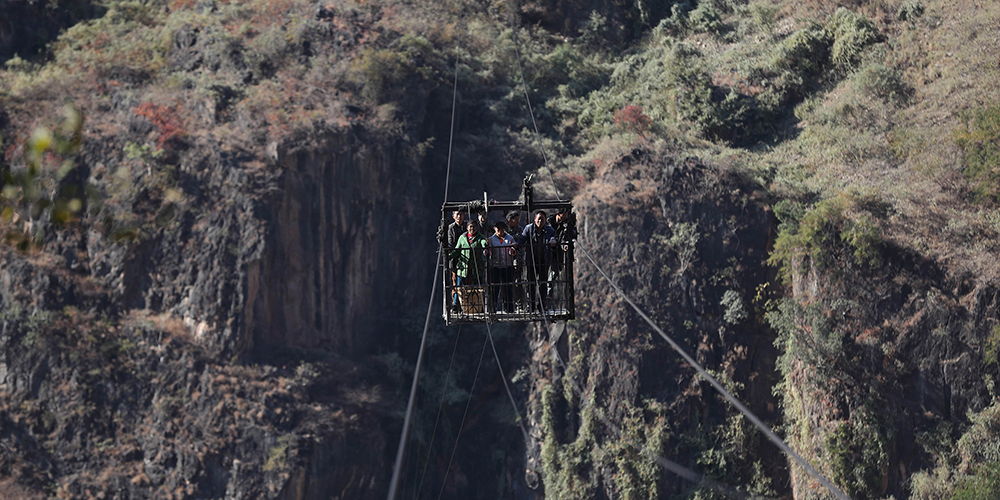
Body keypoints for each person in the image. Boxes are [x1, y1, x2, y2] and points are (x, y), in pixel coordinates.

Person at [515, 210, 556, 312]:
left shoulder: (550, 230)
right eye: (538, 219)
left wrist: (553, 241)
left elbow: (553, 238)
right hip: (531, 261)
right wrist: (516, 245)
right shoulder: (529, 229)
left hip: (544, 261)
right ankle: (531, 306)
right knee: (531, 284)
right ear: (534, 219)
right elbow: (522, 239)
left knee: (543, 283)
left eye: (542, 219)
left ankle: (541, 305)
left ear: (545, 220)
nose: (540, 221)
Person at [451, 220, 489, 314]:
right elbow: (457, 250)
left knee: (477, 286)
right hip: (463, 267)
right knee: (459, 286)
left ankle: (479, 306)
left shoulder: (480, 237)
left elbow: (483, 242)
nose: (472, 228)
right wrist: (449, 255)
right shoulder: (462, 238)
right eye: (470, 227)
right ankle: (456, 305)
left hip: (476, 267)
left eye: (474, 226)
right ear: (467, 228)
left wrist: (485, 246)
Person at [546, 208, 577, 311]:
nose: (566, 217)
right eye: (565, 214)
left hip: (557, 252)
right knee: (544, 272)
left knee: (555, 272)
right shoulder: (549, 223)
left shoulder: (566, 224)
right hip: (547, 251)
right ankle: (544, 295)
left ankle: (547, 295)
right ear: (559, 214)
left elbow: (568, 236)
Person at [488, 221, 516, 314]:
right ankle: (493, 308)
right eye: (498, 228)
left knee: (508, 287)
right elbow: (488, 251)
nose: (500, 230)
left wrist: (512, 250)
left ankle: (509, 308)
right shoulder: (491, 239)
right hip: (495, 265)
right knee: (495, 288)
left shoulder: (510, 238)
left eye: (502, 228)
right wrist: (487, 251)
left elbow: (514, 248)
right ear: (495, 229)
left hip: (507, 265)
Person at [447, 210, 466, 312]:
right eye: (457, 214)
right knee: (455, 281)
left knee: (467, 281)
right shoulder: (451, 228)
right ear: (453, 216)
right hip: (455, 259)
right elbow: (450, 242)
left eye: (461, 214)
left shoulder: (467, 226)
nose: (459, 216)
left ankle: (465, 305)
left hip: (466, 259)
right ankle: (455, 304)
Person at [506, 211, 525, 310]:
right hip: (505, 261)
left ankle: (519, 304)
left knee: (518, 282)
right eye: (515, 220)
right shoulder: (504, 229)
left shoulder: (519, 230)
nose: (518, 222)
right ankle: (508, 305)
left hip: (517, 259)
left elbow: (518, 240)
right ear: (510, 220)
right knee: (506, 283)